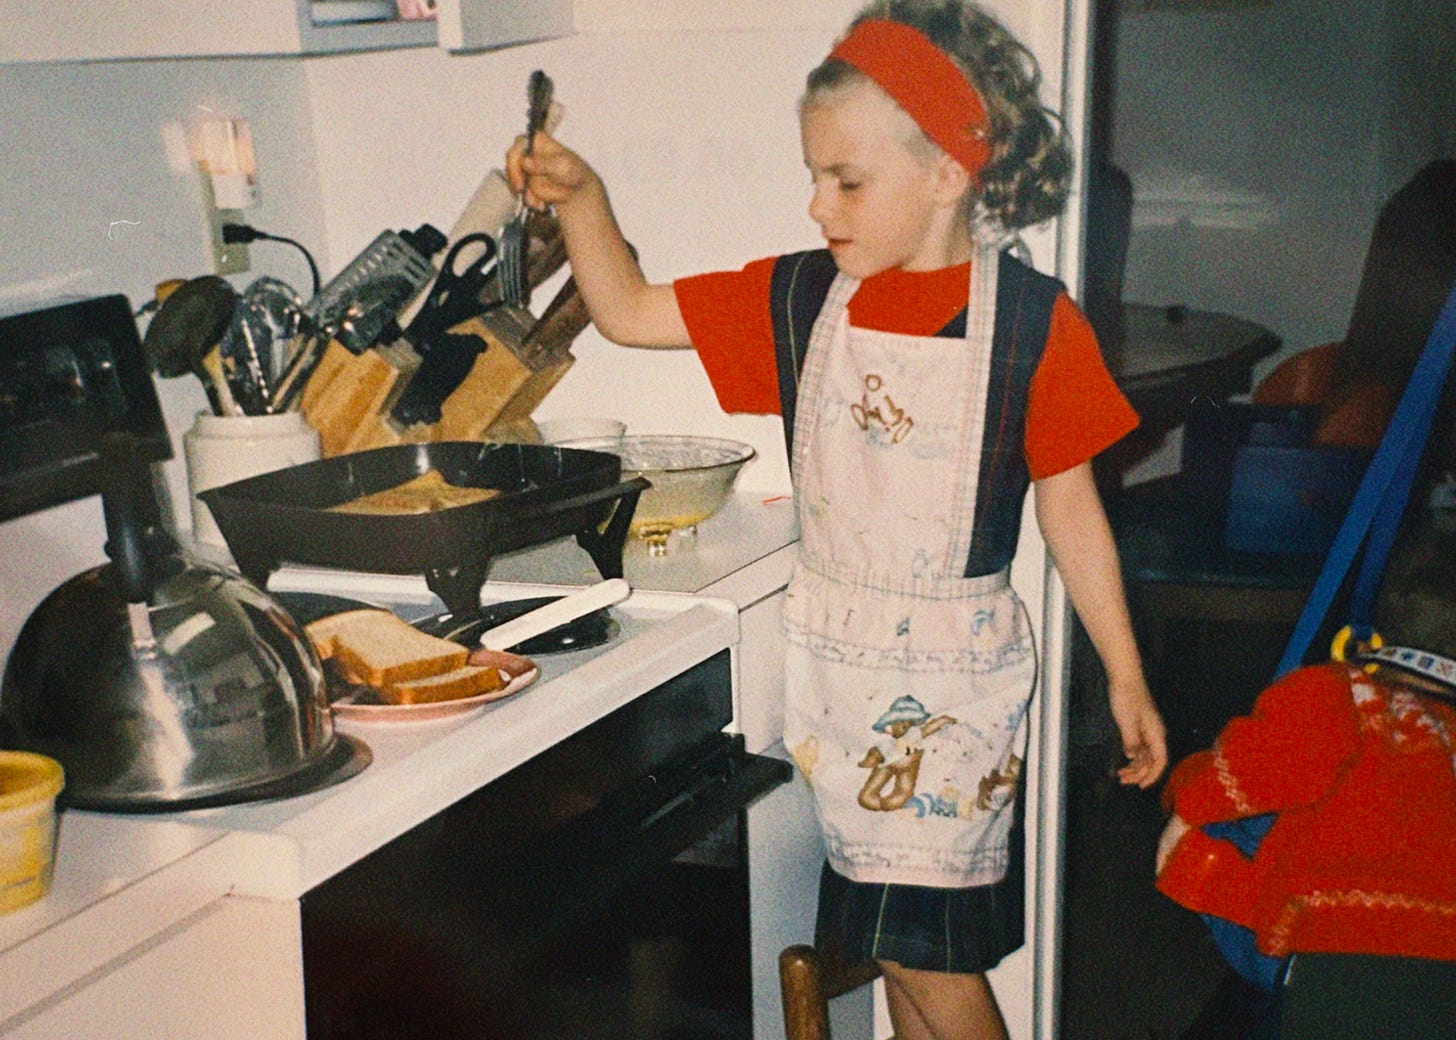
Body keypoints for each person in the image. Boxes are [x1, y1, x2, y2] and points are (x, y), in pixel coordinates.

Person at [508, 2, 1168, 1036]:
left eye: (846, 180)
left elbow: (1071, 507)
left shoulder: (1035, 324)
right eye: (814, 175)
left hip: (951, 698)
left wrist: (1123, 671)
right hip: (839, 687)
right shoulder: (801, 299)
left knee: (921, 954)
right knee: (899, 959)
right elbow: (629, 309)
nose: (817, 204)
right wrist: (585, 197)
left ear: (946, 175)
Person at [1155, 517, 1456, 1039]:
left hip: (1327, 952)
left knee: (1226, 822)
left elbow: (1243, 772)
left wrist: (1183, 797)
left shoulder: (1336, 693)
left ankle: (1233, 895)